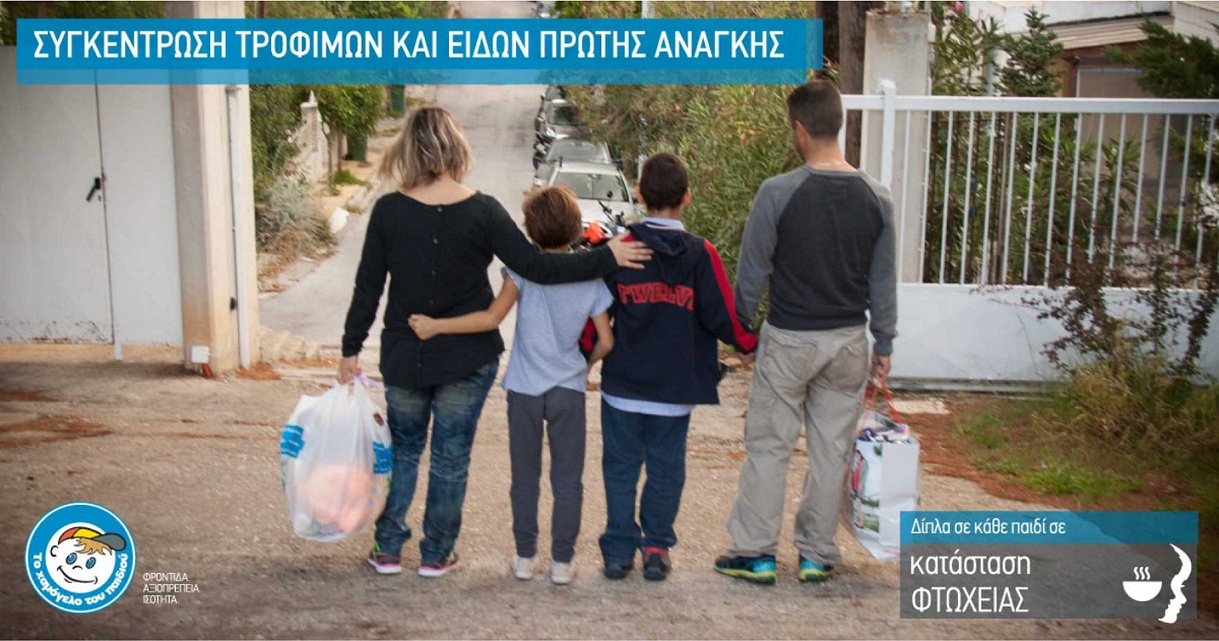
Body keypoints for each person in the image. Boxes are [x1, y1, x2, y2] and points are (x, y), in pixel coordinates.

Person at [338, 106, 650, 578]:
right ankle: (436, 553)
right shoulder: (483, 211)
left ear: (408, 150)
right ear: (456, 148)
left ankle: (388, 548)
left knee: (403, 450)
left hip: (405, 353)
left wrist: (350, 349)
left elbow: (368, 287)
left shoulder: (388, 211)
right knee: (450, 457)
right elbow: (538, 266)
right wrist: (606, 257)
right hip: (467, 359)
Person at [714, 80, 897, 585]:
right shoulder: (878, 197)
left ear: (799, 129)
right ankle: (817, 553)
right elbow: (882, 279)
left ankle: (755, 552)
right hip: (848, 341)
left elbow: (753, 272)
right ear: (839, 123)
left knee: (769, 446)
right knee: (831, 450)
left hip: (790, 338)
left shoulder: (777, 193)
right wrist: (884, 342)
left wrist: (741, 331)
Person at [407, 187, 614, 585]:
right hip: (568, 390)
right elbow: (606, 341)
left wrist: (437, 326)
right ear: (575, 228)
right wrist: (583, 367)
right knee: (568, 480)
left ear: (530, 230)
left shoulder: (522, 271)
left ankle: (525, 558)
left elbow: (490, 318)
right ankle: (562, 562)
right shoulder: (589, 277)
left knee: (525, 478)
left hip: (524, 389)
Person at [598, 152, 758, 582]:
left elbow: (595, 312)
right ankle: (655, 548)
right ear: (687, 197)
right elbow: (721, 311)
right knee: (666, 469)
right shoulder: (701, 254)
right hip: (674, 389)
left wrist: (582, 355)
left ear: (639, 195)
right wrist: (748, 343)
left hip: (623, 385)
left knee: (620, 468)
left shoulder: (620, 250)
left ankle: (617, 552)